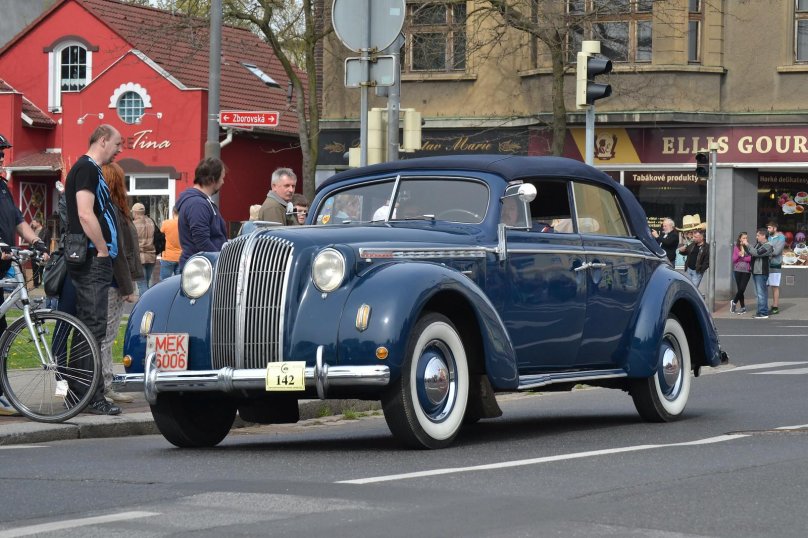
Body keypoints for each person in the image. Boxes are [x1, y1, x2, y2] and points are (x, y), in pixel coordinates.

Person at [63, 124, 123, 415]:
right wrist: (101, 248)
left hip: (91, 257)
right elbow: (86, 212)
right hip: (91, 258)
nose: (119, 150)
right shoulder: (86, 168)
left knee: (87, 326)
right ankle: (90, 396)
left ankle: (80, 394)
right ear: (102, 141)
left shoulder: (88, 169)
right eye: (117, 144)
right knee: (93, 327)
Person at [0, 140, 49, 416]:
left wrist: (37, 241)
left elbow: (19, 222)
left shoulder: (3, 189)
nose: (0, 159)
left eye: (1, 154)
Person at [100, 162, 142, 404]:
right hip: (114, 282)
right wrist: (128, 286)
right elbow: (120, 251)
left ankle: (105, 383)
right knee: (106, 335)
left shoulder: (115, 209)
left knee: (107, 334)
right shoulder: (114, 210)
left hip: (117, 280)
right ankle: (104, 385)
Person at [176, 157, 228, 268]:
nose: (223, 182)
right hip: (201, 270)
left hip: (203, 267)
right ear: (213, 179)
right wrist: (221, 261)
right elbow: (201, 240)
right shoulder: (197, 204)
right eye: (222, 178)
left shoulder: (200, 202)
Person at [748, 228, 774, 319]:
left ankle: (763, 313)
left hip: (761, 272)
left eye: (758, 235)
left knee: (761, 293)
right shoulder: (758, 244)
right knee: (758, 293)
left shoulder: (768, 246)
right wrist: (744, 245)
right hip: (755, 271)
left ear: (763, 236)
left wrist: (748, 244)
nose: (757, 237)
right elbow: (750, 252)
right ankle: (760, 311)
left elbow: (756, 253)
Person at [132, 202, 156, 295]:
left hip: (139, 258)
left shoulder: (133, 225)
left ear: (135, 213)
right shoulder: (151, 222)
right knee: (146, 283)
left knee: (142, 285)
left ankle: (144, 306)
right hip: (151, 256)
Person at [767, 220, 785, 315]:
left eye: (769, 228)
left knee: (774, 286)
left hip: (775, 265)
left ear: (775, 228)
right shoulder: (768, 237)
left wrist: (768, 251)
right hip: (766, 264)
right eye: (768, 228)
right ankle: (765, 306)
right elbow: (764, 248)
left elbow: (776, 251)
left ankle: (775, 307)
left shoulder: (781, 237)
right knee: (765, 286)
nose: (768, 229)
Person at [731, 232, 752, 315]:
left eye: (746, 238)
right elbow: (734, 259)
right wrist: (739, 255)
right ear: (740, 239)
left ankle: (734, 302)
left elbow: (751, 258)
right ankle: (743, 307)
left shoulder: (749, 247)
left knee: (742, 289)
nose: (745, 239)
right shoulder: (736, 247)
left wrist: (743, 257)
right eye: (743, 238)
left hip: (746, 271)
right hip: (737, 270)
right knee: (740, 289)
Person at [159, 206, 181, 279]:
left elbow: (160, 236)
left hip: (168, 256)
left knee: (164, 283)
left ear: (173, 212)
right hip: (181, 257)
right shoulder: (186, 224)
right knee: (180, 282)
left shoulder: (166, 223)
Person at [29, 217, 51, 286]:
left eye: (34, 222)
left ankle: (42, 282)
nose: (32, 223)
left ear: (38, 223)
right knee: (34, 268)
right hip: (33, 251)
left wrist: (46, 252)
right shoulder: (33, 230)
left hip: (42, 251)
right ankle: (35, 284)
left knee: (41, 268)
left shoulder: (45, 231)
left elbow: (48, 242)